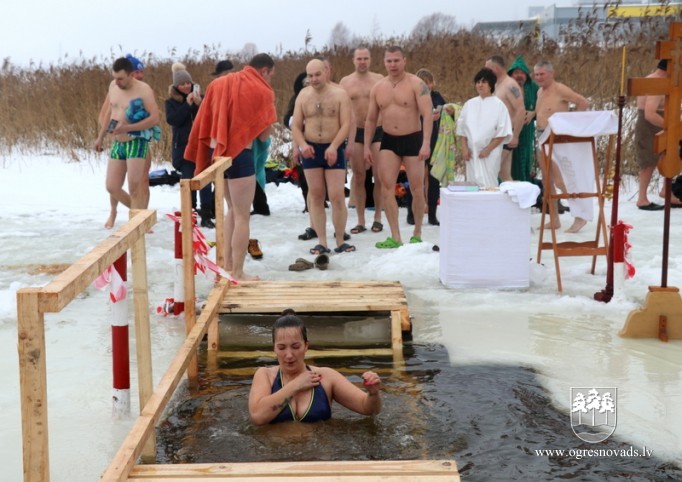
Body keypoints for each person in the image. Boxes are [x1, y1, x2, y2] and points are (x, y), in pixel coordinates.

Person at [184, 53, 277, 281]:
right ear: (264, 71)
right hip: (240, 154)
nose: (269, 80)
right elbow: (263, 135)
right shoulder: (262, 90)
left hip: (217, 153)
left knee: (231, 210)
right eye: (270, 76)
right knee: (242, 215)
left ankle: (226, 265)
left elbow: (205, 119)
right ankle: (238, 272)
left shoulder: (219, 83)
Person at [248, 310, 382, 425]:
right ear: (274, 349)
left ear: (306, 346)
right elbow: (257, 416)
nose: (289, 355)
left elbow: (368, 409)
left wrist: (373, 394)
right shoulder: (265, 375)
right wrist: (296, 385)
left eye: (295, 347)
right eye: (282, 348)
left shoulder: (326, 377)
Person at [364, 46, 433, 249]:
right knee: (386, 187)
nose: (393, 65)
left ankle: (417, 232)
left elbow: (427, 114)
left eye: (396, 60)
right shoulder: (378, 88)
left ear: (404, 61)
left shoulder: (417, 84)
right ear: (384, 62)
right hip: (389, 140)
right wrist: (366, 146)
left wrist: (426, 143)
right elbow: (370, 119)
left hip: (413, 139)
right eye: (389, 61)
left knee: (417, 188)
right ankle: (395, 236)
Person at [292, 59, 354, 254]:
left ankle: (340, 240)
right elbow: (296, 125)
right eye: (310, 76)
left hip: (333, 147)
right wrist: (302, 145)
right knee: (316, 195)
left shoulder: (340, 94)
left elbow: (346, 124)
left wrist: (335, 146)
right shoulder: (303, 95)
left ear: (326, 72)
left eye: (317, 74)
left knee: (336, 195)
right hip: (311, 149)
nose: (314, 79)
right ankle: (322, 242)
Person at [95, 57, 160, 222]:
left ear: (131, 75)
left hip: (136, 140)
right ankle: (141, 217)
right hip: (118, 141)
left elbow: (155, 118)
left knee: (134, 187)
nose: (117, 82)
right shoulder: (113, 86)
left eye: (121, 79)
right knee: (112, 186)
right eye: (115, 78)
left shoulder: (143, 90)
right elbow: (110, 113)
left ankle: (137, 224)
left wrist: (127, 128)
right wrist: (100, 137)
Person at [534, 59, 590, 233]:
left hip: (557, 137)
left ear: (551, 73)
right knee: (547, 180)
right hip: (541, 136)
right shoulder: (539, 91)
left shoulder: (560, 89)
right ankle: (554, 219)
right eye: (536, 75)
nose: (539, 77)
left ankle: (580, 216)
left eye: (542, 74)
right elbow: (543, 112)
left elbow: (583, 102)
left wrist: (571, 124)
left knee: (561, 180)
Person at [339, 47, 385, 235]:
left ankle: (378, 217)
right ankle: (360, 220)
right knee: (359, 176)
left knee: (379, 175)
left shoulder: (379, 79)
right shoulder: (345, 82)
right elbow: (341, 108)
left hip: (377, 131)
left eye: (365, 58)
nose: (362, 62)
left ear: (370, 59)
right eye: (359, 58)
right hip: (356, 131)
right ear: (353, 60)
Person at [165, 62, 215, 228]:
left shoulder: (201, 97)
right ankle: (190, 213)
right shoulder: (171, 102)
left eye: (188, 83)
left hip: (202, 146)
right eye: (182, 84)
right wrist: (187, 105)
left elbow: (210, 116)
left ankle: (206, 215)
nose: (186, 86)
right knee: (188, 181)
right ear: (176, 86)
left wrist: (200, 103)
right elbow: (173, 120)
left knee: (204, 180)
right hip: (184, 149)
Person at [456, 68, 512, 188]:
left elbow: (503, 133)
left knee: (489, 185)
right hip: (471, 153)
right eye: (478, 82)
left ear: (491, 84)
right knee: (472, 185)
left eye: (484, 82)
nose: (480, 85)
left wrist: (488, 150)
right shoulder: (469, 104)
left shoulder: (499, 106)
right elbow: (462, 129)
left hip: (490, 154)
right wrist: (464, 148)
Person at [408, 68, 446, 226]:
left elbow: (446, 110)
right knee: (414, 179)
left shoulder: (437, 97)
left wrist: (442, 113)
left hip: (434, 141)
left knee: (434, 179)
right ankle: (411, 213)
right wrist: (426, 116)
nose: (426, 86)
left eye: (429, 83)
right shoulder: (412, 96)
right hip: (416, 140)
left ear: (433, 83)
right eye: (423, 83)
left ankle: (432, 214)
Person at [485, 55, 525, 183]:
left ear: (496, 68)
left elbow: (521, 110)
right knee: (504, 174)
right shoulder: (496, 85)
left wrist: (515, 136)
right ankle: (514, 195)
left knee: (491, 169)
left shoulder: (510, 85)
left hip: (506, 134)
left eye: (488, 69)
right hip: (496, 134)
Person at [635, 59, 668, 211]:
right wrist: (670, 126)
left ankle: (667, 191)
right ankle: (642, 199)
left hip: (661, 121)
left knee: (669, 156)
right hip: (649, 125)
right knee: (648, 161)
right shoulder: (657, 83)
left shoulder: (659, 80)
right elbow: (650, 114)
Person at [507, 55, 539, 183]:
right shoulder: (505, 87)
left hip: (527, 131)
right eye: (516, 73)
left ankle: (525, 190)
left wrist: (533, 113)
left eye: (522, 73)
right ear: (511, 74)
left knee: (524, 162)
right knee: (508, 164)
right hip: (508, 130)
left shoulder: (534, 88)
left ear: (526, 75)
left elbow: (544, 107)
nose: (519, 75)